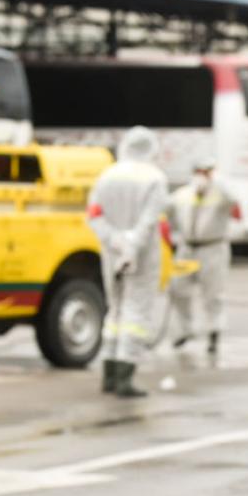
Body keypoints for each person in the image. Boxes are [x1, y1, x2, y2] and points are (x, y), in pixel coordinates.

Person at [86, 126, 167, 398]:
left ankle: (108, 374)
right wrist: (130, 247)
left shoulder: (107, 175)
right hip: (140, 255)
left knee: (115, 310)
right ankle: (125, 376)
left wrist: (115, 242)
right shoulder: (154, 178)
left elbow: (94, 214)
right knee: (135, 312)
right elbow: (148, 220)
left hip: (111, 251)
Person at [166, 155, 235, 356]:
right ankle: (186, 329)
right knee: (178, 289)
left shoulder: (220, 193)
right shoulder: (183, 194)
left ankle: (214, 333)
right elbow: (165, 210)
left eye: (206, 172)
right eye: (199, 172)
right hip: (187, 249)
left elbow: (233, 199)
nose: (202, 176)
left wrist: (218, 181)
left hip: (213, 249)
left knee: (213, 294)